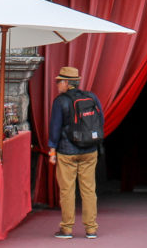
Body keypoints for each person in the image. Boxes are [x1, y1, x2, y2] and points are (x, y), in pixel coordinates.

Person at [48, 66, 103, 240]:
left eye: (59, 82)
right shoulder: (91, 97)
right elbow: (100, 120)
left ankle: (67, 228)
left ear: (66, 83)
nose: (57, 85)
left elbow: (55, 128)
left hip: (67, 151)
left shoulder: (60, 101)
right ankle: (91, 229)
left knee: (67, 190)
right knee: (88, 189)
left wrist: (52, 149)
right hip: (90, 150)